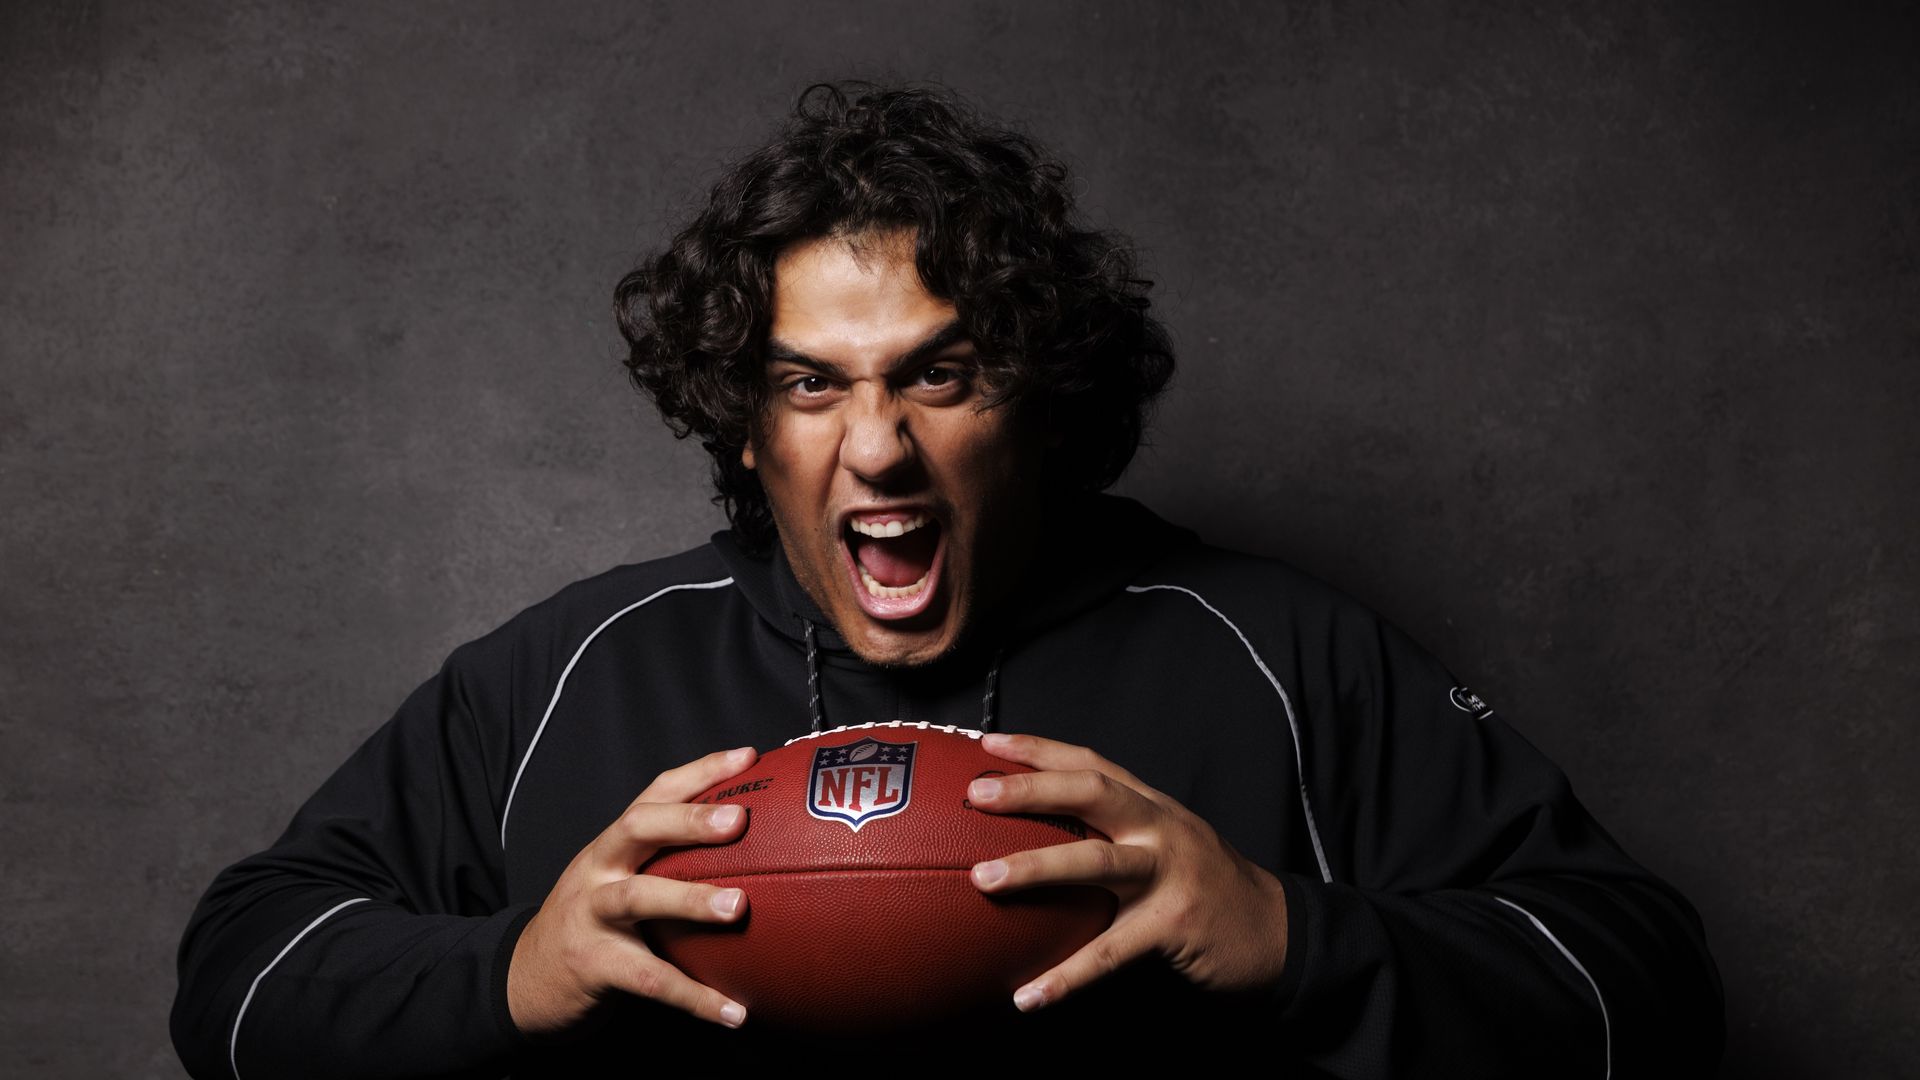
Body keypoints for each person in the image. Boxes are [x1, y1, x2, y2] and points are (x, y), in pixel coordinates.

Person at [171, 81, 1724, 1077]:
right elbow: (238, 983)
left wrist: (1288, 935)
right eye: (809, 386)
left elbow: (1648, 991)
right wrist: (507, 973)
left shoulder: (1276, 650)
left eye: (944, 375)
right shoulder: (578, 672)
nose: (880, 449)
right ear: (746, 419)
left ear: (1037, 396)